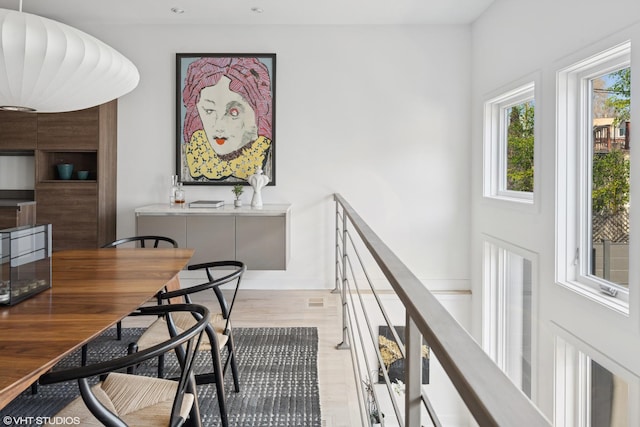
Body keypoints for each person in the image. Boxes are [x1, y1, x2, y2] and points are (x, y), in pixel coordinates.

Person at [181, 56, 273, 182]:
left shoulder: (271, 160)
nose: (219, 126)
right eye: (209, 110)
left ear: (258, 113)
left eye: (233, 112)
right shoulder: (189, 157)